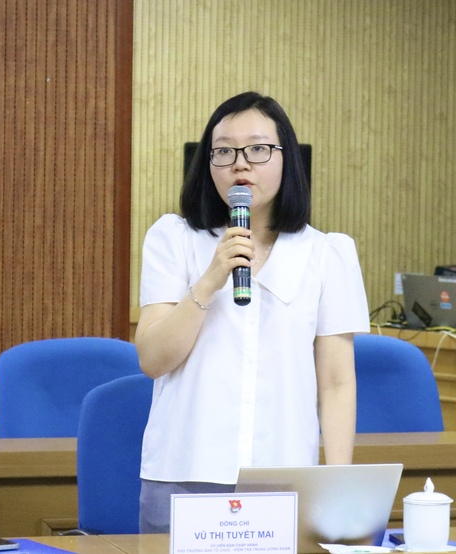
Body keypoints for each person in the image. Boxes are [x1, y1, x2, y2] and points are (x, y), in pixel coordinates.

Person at [134, 91, 369, 532]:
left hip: (284, 478)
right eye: (224, 151)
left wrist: (338, 485)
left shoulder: (327, 253)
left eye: (258, 149)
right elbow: (152, 359)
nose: (240, 164)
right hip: (184, 475)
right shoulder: (174, 239)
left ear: (286, 158)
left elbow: (337, 383)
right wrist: (210, 279)